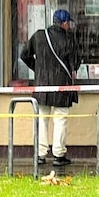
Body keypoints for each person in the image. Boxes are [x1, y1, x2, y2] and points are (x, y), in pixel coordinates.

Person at [20, 9, 81, 167]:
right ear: (65, 23)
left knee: (42, 119)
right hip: (62, 85)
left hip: (42, 85)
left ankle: (40, 154)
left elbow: (24, 55)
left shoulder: (39, 36)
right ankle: (58, 155)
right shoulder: (68, 38)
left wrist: (38, 69)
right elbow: (75, 63)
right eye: (69, 23)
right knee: (60, 119)